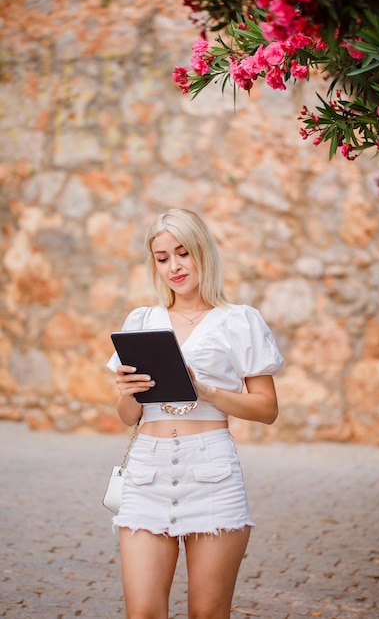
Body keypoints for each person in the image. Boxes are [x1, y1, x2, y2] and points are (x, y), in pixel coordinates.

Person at [107, 208, 284, 619]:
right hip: (145, 473)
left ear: (203, 251)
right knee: (143, 613)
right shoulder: (141, 321)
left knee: (207, 612)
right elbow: (127, 416)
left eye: (183, 253)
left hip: (212, 473)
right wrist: (127, 392)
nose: (174, 266)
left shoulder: (239, 320)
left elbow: (267, 408)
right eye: (162, 257)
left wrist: (203, 390)